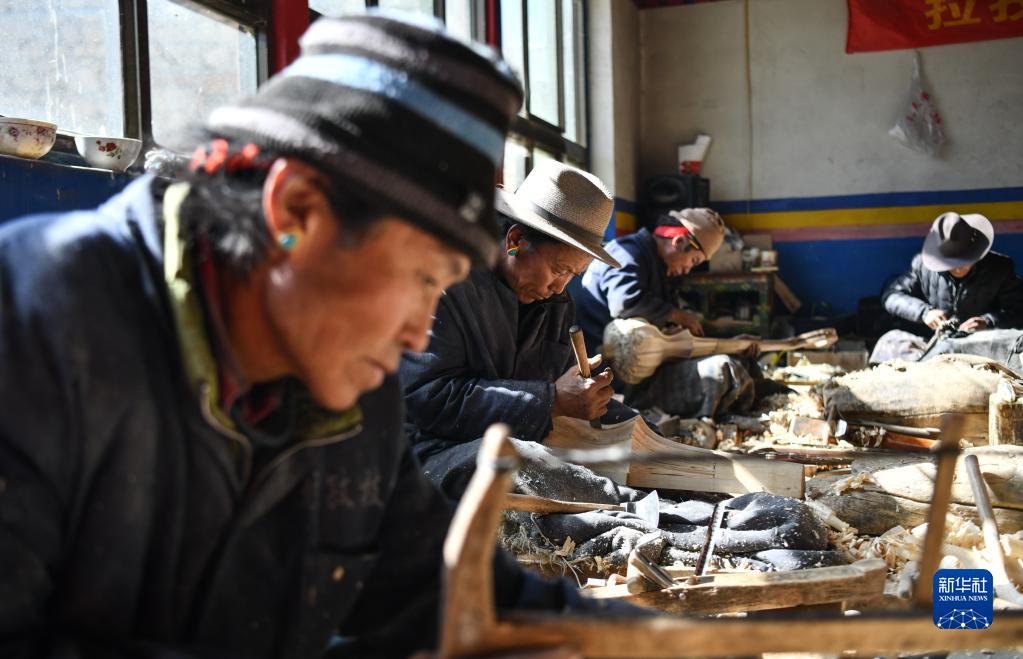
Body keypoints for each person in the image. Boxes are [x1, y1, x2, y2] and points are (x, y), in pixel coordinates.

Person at [0, 13, 605, 659]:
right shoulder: (35, 327)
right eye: (420, 279)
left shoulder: (349, 387)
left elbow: (436, 587)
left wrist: (629, 638)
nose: (414, 338)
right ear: (296, 210)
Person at [400, 161, 632, 497]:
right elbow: (428, 398)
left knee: (626, 453)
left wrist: (602, 404)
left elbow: (565, 388)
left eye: (573, 275)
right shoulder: (445, 283)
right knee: (525, 464)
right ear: (516, 240)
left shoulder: (556, 302)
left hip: (517, 443)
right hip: (431, 453)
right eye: (559, 269)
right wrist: (550, 401)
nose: (559, 286)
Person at [573, 210, 767, 420]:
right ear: (679, 241)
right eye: (693, 261)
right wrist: (676, 315)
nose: (687, 270)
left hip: (651, 369)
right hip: (619, 380)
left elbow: (674, 336)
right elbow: (624, 304)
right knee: (724, 370)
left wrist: (732, 344)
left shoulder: (660, 267)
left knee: (741, 360)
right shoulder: (628, 252)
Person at [872, 211, 1023, 363]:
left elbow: (1018, 309)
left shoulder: (1000, 268)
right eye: (951, 263)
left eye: (965, 261)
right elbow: (891, 295)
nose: (958, 268)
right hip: (935, 345)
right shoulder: (922, 266)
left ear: (975, 251)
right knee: (889, 342)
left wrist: (988, 321)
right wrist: (924, 312)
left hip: (983, 346)